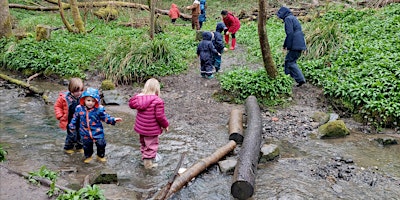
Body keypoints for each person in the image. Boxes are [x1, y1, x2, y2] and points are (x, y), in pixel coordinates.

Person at [69, 87, 122, 163]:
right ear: (84, 100)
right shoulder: (79, 109)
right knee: (87, 146)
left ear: (96, 101)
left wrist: (113, 120)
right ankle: (88, 156)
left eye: (93, 101)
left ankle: (100, 156)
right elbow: (75, 118)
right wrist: (72, 125)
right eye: (88, 100)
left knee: (101, 144)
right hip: (85, 132)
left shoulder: (99, 110)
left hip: (97, 132)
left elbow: (105, 117)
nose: (90, 103)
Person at [128, 78, 169, 169]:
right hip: (151, 129)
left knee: (143, 143)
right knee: (151, 145)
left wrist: (138, 95)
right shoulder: (158, 101)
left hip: (141, 128)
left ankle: (145, 158)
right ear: (157, 89)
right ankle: (148, 164)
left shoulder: (139, 99)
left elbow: (131, 104)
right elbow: (160, 116)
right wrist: (165, 125)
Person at [277, 6, 307, 87]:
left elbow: (289, 33)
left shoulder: (288, 19)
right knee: (288, 61)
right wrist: (285, 45)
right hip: (300, 42)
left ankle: (300, 79)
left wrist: (287, 46)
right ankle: (287, 78)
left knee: (290, 62)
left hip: (295, 43)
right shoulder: (292, 18)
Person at [54, 78, 84, 154]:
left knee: (81, 134)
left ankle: (79, 147)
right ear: (71, 90)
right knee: (71, 135)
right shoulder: (64, 98)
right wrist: (60, 116)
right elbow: (57, 106)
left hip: (80, 120)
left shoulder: (83, 97)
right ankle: (68, 147)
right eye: (76, 91)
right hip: (69, 120)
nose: (79, 93)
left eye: (81, 90)